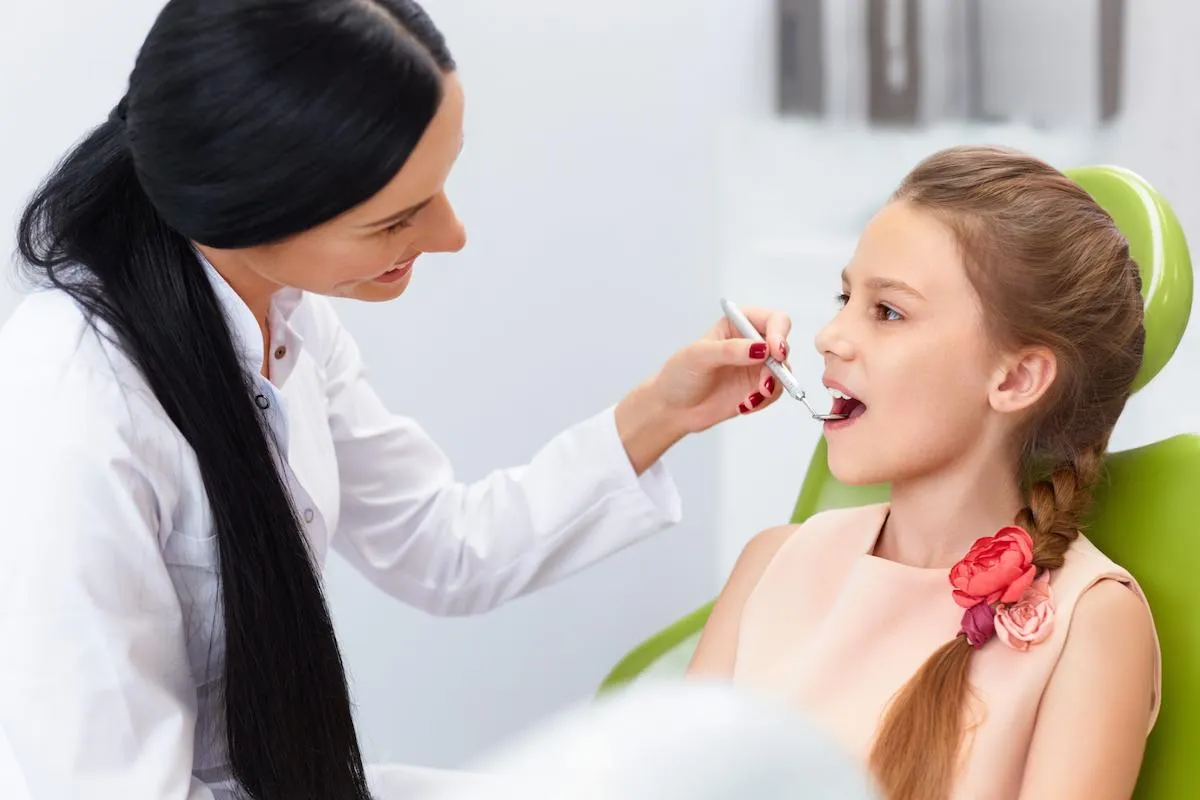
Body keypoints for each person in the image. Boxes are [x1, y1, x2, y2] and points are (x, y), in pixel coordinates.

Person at [0, 2, 792, 799]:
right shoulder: (74, 403)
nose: (452, 235)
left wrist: (665, 411)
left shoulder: (284, 318)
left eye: (441, 186)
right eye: (398, 220)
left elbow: (444, 547)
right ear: (244, 214)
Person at [687, 146, 1161, 800]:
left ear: (1016, 377)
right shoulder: (770, 566)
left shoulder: (1092, 623)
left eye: (887, 311)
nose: (829, 335)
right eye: (845, 297)